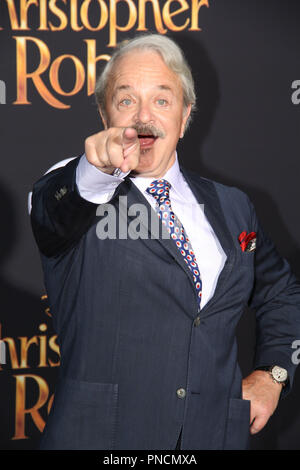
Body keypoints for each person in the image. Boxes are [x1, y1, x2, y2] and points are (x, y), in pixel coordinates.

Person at [30, 33, 300, 450]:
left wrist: (274, 373)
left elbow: (281, 291)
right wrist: (93, 168)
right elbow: (53, 213)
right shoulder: (79, 188)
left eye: (161, 99)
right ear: (105, 115)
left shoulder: (234, 206)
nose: (143, 117)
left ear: (185, 114)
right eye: (125, 101)